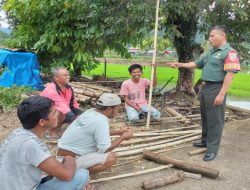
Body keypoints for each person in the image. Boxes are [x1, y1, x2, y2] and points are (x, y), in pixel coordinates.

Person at [169, 25, 241, 161]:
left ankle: (212, 149)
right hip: (205, 87)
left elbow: (230, 74)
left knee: (215, 120)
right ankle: (205, 141)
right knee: (206, 116)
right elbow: (196, 63)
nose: (210, 38)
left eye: (212, 35)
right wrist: (179, 64)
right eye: (210, 36)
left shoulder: (229, 52)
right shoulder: (211, 51)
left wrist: (221, 94)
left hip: (216, 88)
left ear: (222, 35)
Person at [0, 96, 89, 190]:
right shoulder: (31, 144)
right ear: (42, 122)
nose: (57, 115)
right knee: (82, 175)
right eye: (54, 112)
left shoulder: (17, 133)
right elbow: (67, 175)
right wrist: (69, 157)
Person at [57, 93, 133, 174]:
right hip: (69, 161)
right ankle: (77, 175)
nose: (118, 111)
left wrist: (119, 132)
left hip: (62, 155)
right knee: (111, 158)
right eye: (117, 108)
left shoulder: (90, 111)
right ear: (109, 109)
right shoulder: (101, 120)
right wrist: (122, 138)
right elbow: (105, 149)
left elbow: (96, 132)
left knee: (98, 149)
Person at [40, 67, 82, 139]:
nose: (68, 77)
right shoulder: (51, 90)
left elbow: (73, 104)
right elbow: (61, 106)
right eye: (65, 75)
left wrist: (81, 115)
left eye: (68, 75)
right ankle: (51, 133)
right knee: (59, 111)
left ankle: (58, 128)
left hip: (60, 113)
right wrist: (77, 121)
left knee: (80, 115)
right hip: (43, 116)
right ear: (56, 78)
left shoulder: (68, 88)